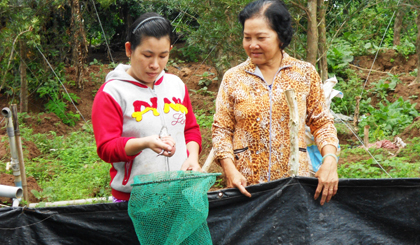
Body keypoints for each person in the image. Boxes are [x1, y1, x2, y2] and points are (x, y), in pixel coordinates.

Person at [212, 0, 339, 205]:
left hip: (294, 185)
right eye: (247, 38)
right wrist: (230, 170)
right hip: (246, 189)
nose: (252, 45)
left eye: (261, 37)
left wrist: (330, 160)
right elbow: (222, 131)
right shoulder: (233, 78)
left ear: (280, 36)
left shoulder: (304, 73)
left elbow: (322, 123)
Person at [92, 12, 202, 202]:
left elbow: (190, 129)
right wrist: (144, 143)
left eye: (163, 56)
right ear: (129, 49)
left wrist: (192, 157)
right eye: (147, 55)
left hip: (179, 194)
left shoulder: (176, 85)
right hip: (134, 201)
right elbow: (106, 147)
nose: (155, 65)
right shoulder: (112, 93)